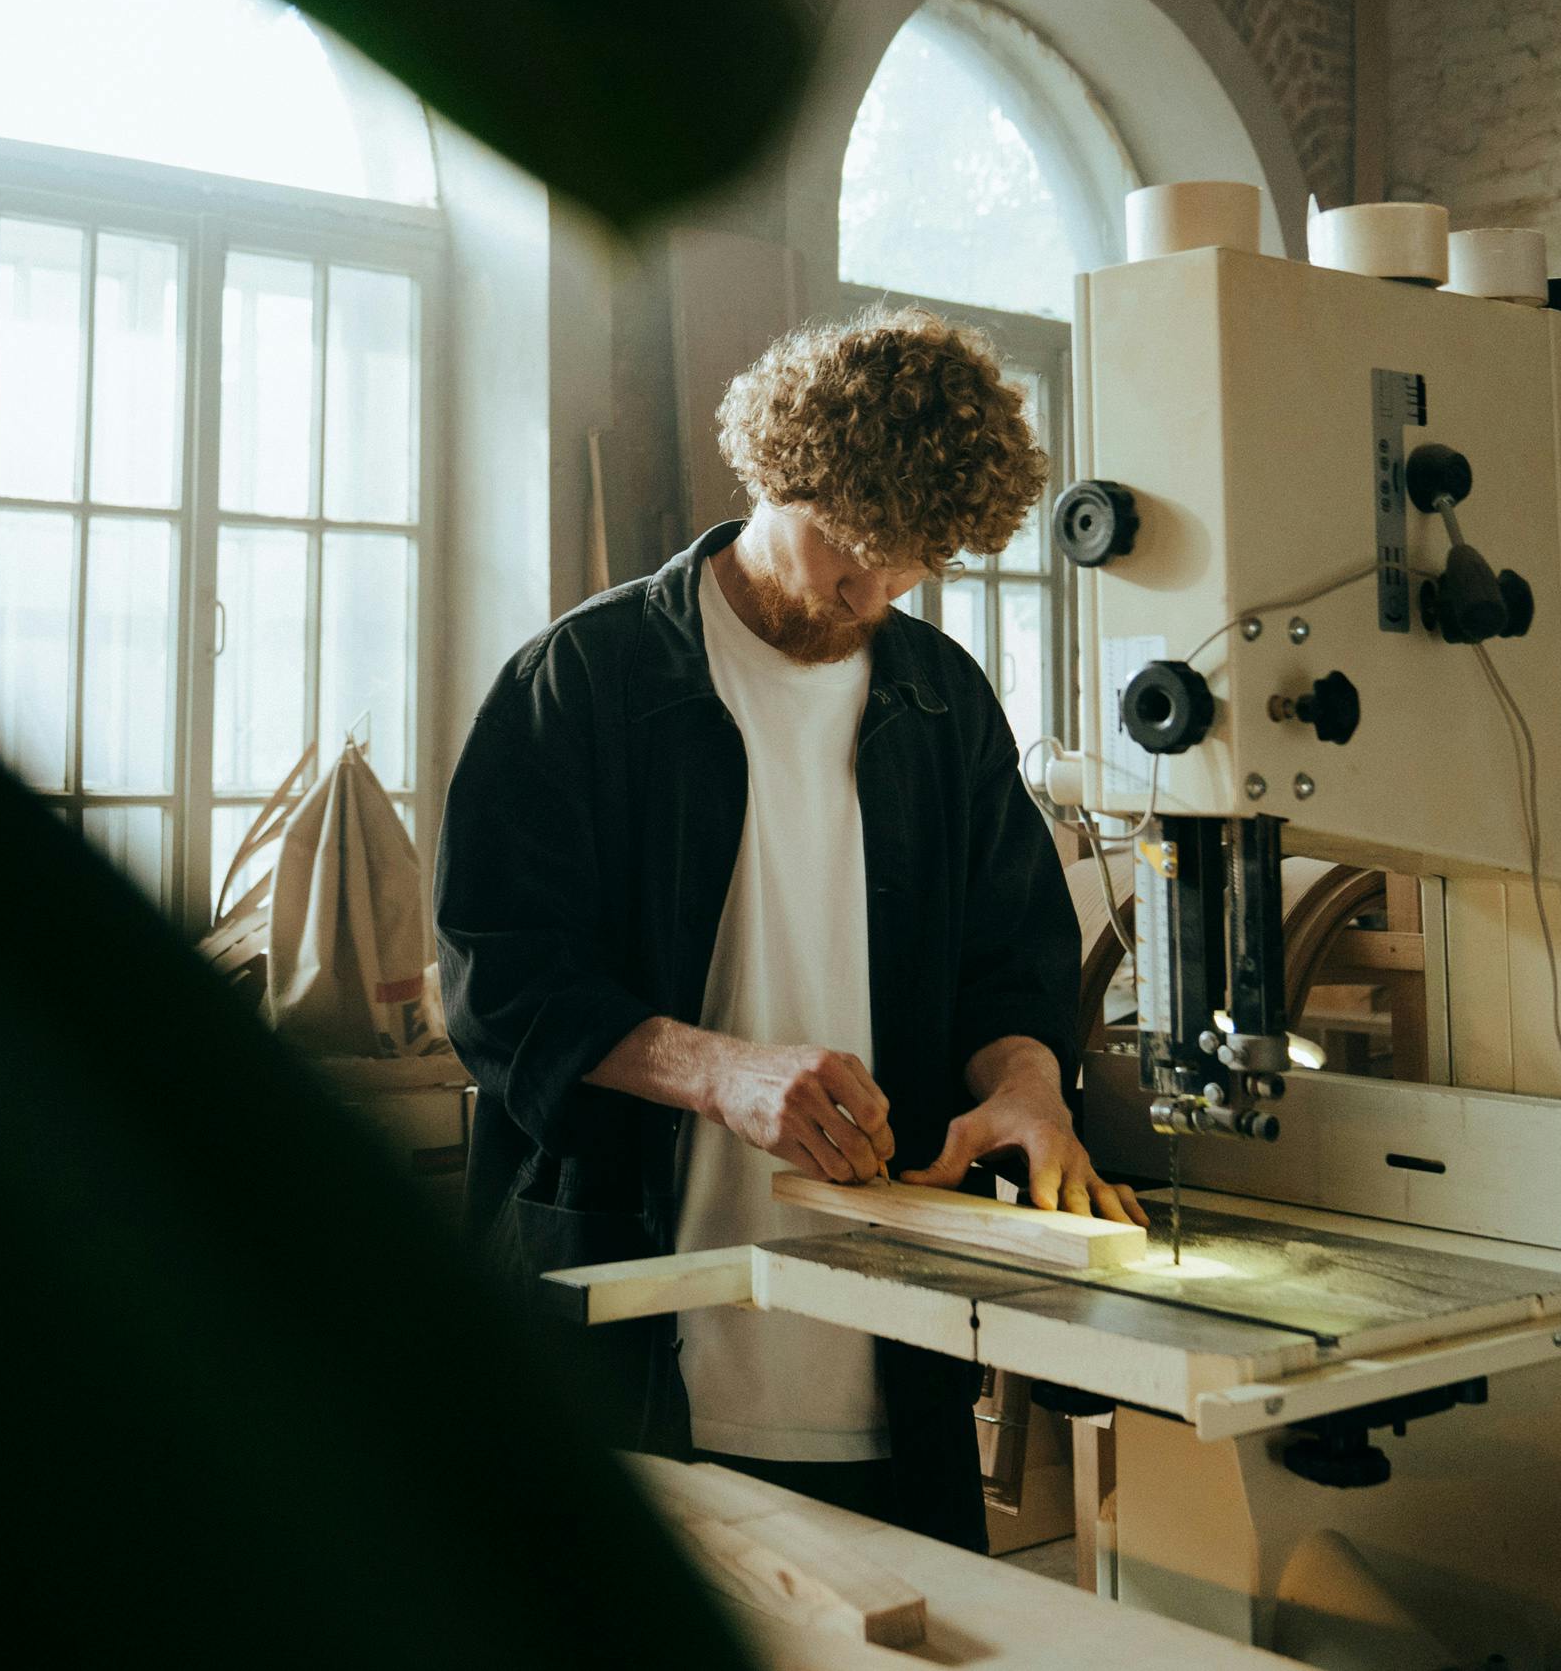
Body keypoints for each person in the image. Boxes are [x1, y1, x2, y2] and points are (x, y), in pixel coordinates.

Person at [435, 304, 1146, 1547]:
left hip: (895, 1368)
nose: (869, 587)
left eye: (912, 561)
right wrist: (725, 1071)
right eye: (848, 545)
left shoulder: (940, 701)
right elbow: (499, 983)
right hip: (631, 1343)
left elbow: (1010, 960)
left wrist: (1029, 1090)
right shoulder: (584, 681)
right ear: (778, 469)